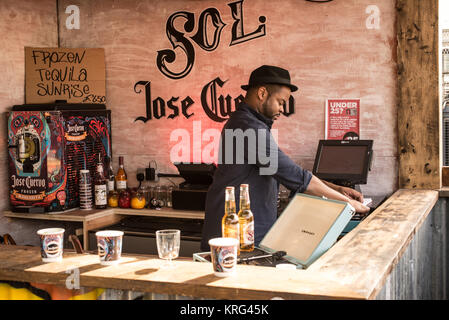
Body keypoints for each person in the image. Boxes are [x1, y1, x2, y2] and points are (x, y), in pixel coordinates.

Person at [200, 65, 370, 251]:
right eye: (280, 102)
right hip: (236, 233)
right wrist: (348, 203)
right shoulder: (248, 128)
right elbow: (295, 176)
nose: (282, 109)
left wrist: (337, 188)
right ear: (262, 93)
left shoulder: (249, 124)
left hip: (246, 231)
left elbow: (286, 170)